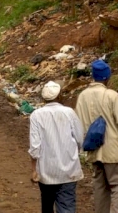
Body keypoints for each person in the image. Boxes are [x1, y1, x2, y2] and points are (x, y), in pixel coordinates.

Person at [75, 60, 118, 213]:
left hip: (92, 148)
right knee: (117, 184)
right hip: (111, 150)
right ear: (107, 77)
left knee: (100, 185)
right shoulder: (112, 96)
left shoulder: (83, 96)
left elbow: (78, 122)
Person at [30, 81, 84, 213]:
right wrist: (75, 153)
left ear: (44, 98)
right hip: (68, 170)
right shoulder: (69, 112)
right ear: (59, 96)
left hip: (46, 171)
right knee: (67, 206)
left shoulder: (36, 115)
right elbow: (79, 138)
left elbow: (34, 147)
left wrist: (33, 170)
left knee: (47, 205)